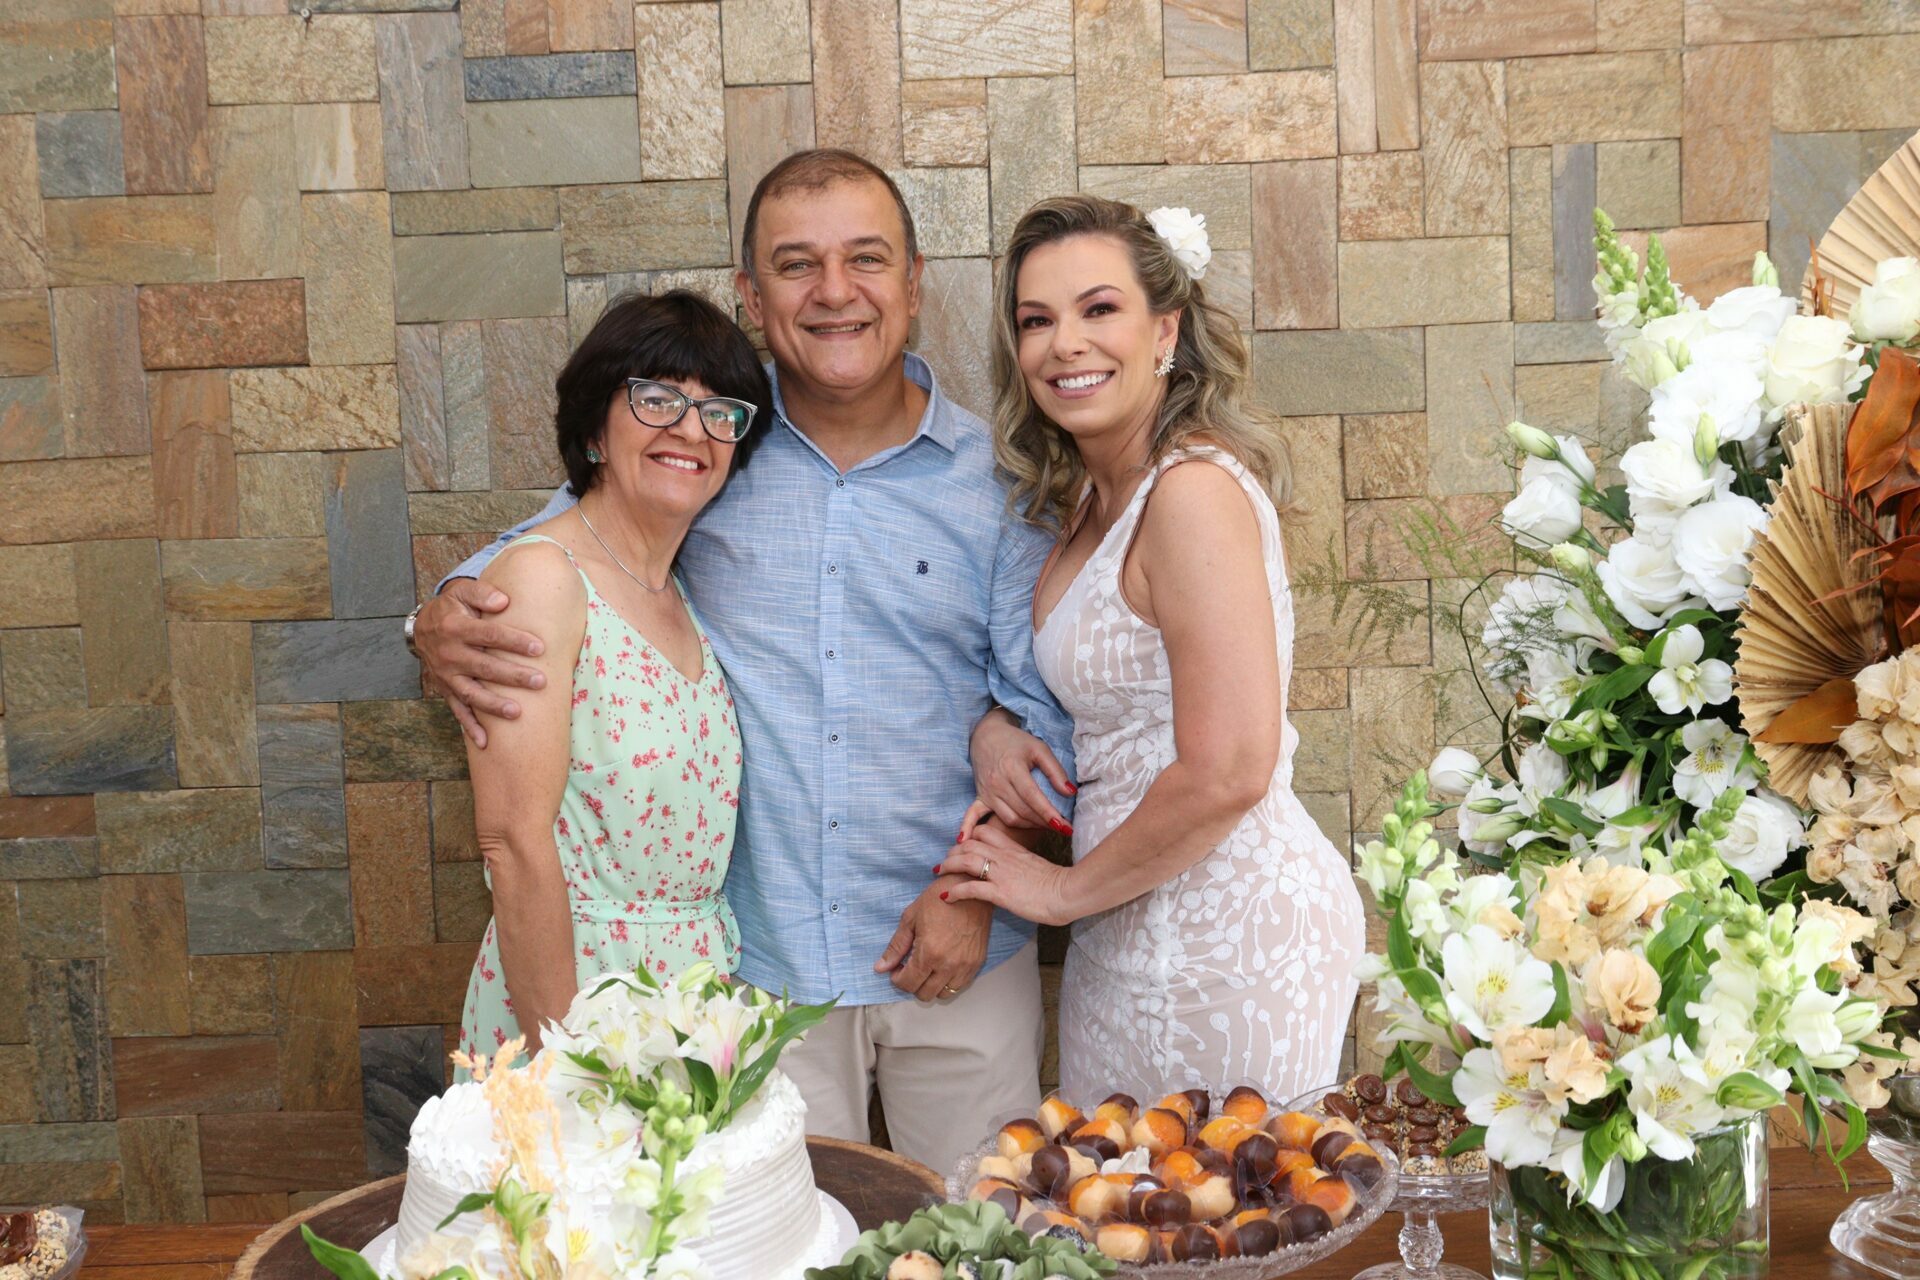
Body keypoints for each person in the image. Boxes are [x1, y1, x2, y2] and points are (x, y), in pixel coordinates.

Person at [410, 149, 1076, 1173]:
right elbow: (556, 543)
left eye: (866, 259)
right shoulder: (708, 441)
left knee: (986, 1225)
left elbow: (1047, 712)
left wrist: (976, 890)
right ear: (753, 298)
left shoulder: (998, 480)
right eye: (797, 264)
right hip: (760, 974)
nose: (835, 291)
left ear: (914, 283)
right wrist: (438, 616)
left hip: (959, 956)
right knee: (774, 1233)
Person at [938, 195, 1367, 1104]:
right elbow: (1093, 705)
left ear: (1165, 330)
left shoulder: (1191, 493)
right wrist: (993, 733)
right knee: (1114, 1191)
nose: (1065, 344)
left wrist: (1058, 895)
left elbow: (1231, 766)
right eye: (1036, 321)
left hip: (1234, 936)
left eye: (1098, 309)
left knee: (1236, 1190)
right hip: (1119, 934)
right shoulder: (1087, 506)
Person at [454, 290, 770, 1065]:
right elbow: (513, 842)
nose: (691, 430)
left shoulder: (680, 596)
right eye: (658, 399)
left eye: (719, 411)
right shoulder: (543, 580)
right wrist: (570, 1063)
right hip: (578, 1002)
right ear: (595, 428)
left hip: (691, 1006)